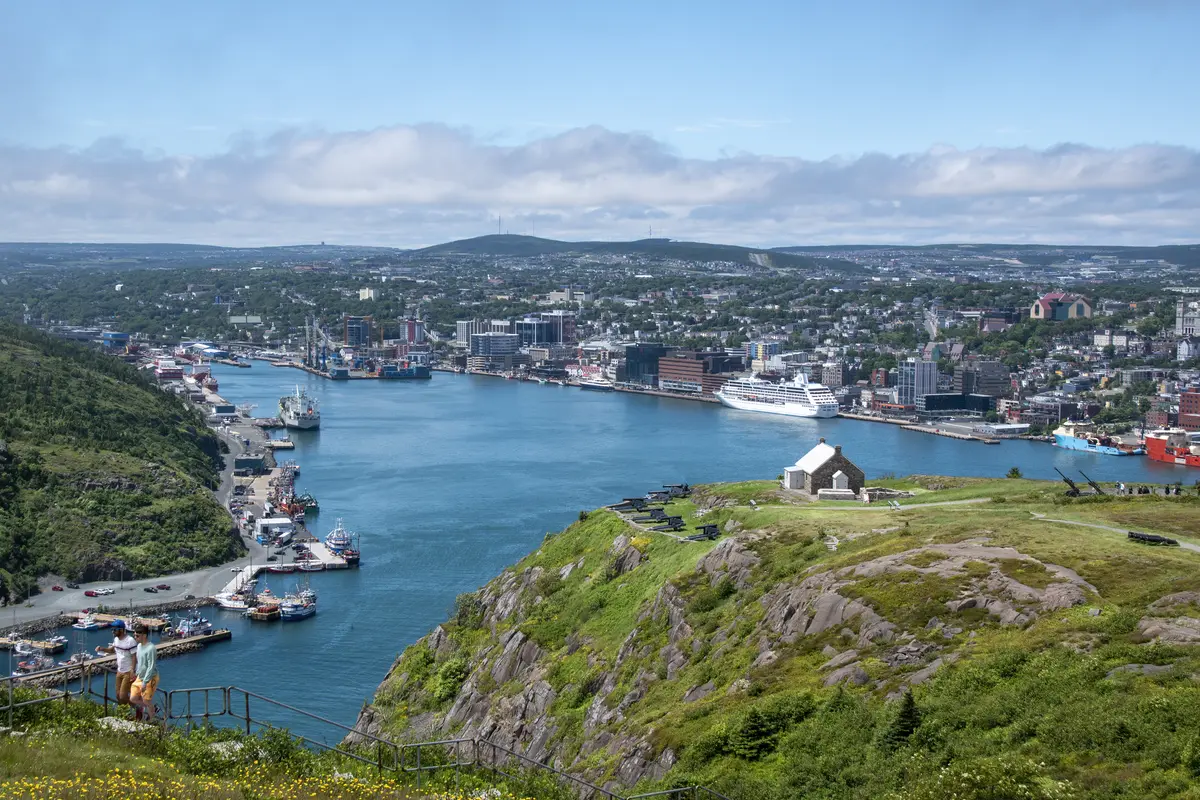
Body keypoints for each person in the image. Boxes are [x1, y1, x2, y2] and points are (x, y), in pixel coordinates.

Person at [94, 619, 138, 714]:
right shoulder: (116, 640)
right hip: (119, 671)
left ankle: (137, 707)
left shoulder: (130, 641)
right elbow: (112, 650)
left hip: (128, 672)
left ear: (121, 630)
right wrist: (101, 649)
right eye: (112, 630)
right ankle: (125, 713)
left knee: (122, 696)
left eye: (115, 630)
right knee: (118, 696)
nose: (113, 632)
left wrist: (132, 670)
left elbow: (135, 657)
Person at [129, 623, 159, 723]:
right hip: (140, 677)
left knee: (146, 700)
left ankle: (151, 720)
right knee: (133, 698)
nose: (135, 637)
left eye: (137, 635)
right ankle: (152, 708)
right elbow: (140, 662)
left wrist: (145, 682)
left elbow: (151, 666)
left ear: (144, 635)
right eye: (135, 635)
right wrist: (135, 673)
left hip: (150, 678)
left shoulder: (151, 648)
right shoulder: (138, 646)